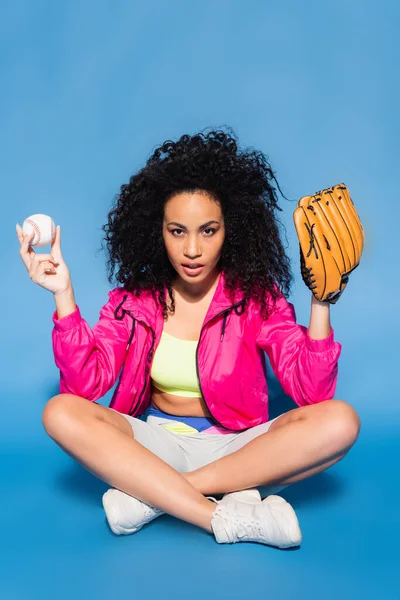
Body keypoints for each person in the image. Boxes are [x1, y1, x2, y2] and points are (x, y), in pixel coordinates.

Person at [16, 128, 361, 548]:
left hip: (238, 450)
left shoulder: (256, 300)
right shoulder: (134, 301)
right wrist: (63, 296)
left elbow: (313, 392)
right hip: (155, 444)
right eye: (178, 231)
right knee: (59, 411)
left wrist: (321, 301)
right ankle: (218, 515)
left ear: (229, 231)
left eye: (208, 231)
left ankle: (158, 496)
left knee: (341, 421)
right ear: (156, 231)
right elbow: (84, 386)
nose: (192, 249)